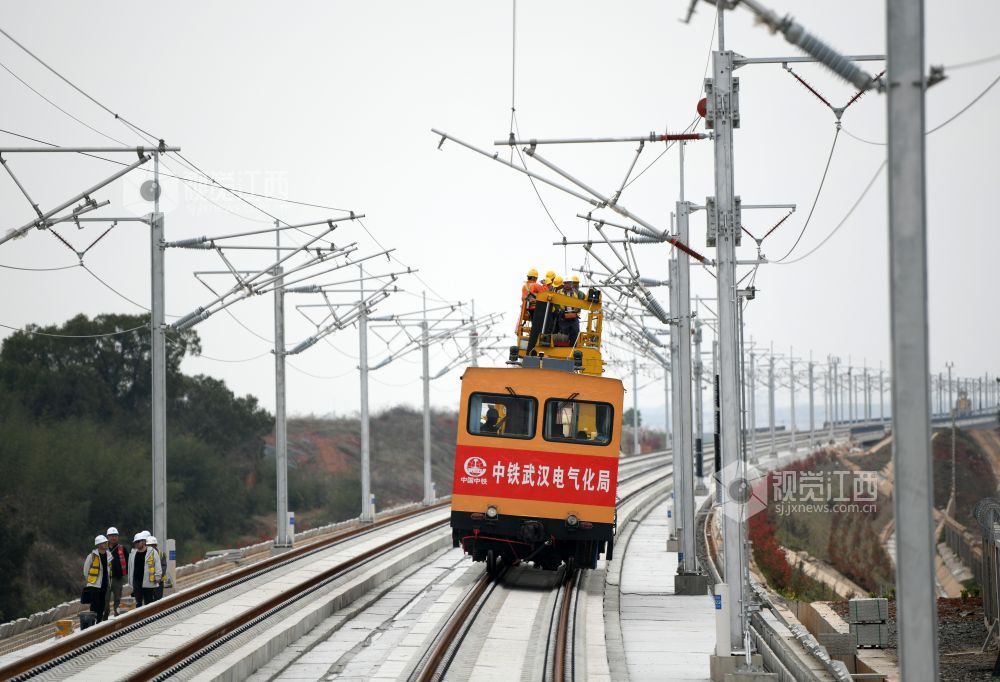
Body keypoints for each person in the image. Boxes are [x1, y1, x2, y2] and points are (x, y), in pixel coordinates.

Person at [127, 532, 161, 607]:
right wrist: (130, 582)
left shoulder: (152, 552)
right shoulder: (132, 553)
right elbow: (130, 568)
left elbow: (157, 564)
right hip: (136, 581)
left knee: (149, 601)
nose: (136, 544)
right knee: (137, 602)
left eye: (138, 541)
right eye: (135, 542)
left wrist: (158, 576)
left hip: (148, 581)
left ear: (144, 541)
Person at [82, 535, 110, 623]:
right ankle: (92, 622)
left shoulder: (109, 555)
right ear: (98, 544)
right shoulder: (92, 556)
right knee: (94, 604)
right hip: (94, 584)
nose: (105, 544)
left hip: (104, 583)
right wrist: (90, 581)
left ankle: (99, 621)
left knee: (102, 604)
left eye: (106, 542)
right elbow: (86, 571)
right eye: (103, 543)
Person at [104, 526, 127, 619]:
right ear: (107, 537)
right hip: (106, 578)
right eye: (111, 535)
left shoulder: (122, 548)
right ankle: (105, 616)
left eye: (115, 535)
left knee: (117, 599)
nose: (113, 537)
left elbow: (128, 561)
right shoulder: (103, 548)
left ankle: (117, 616)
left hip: (117, 578)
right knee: (105, 599)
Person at [558, 276, 586, 345]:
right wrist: (560, 310)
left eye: (568, 283)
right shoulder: (559, 292)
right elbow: (555, 303)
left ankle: (573, 346)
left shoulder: (577, 293)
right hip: (563, 317)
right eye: (565, 283)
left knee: (575, 332)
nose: (567, 284)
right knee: (564, 333)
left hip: (574, 316)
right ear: (564, 284)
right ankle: (564, 346)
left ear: (571, 283)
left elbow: (585, 299)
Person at [147, 536, 167, 600]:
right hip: (148, 582)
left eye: (152, 545)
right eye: (148, 545)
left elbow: (163, 566)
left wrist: (158, 577)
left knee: (158, 599)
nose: (150, 547)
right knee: (148, 600)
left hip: (158, 581)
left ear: (155, 545)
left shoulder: (161, 554)